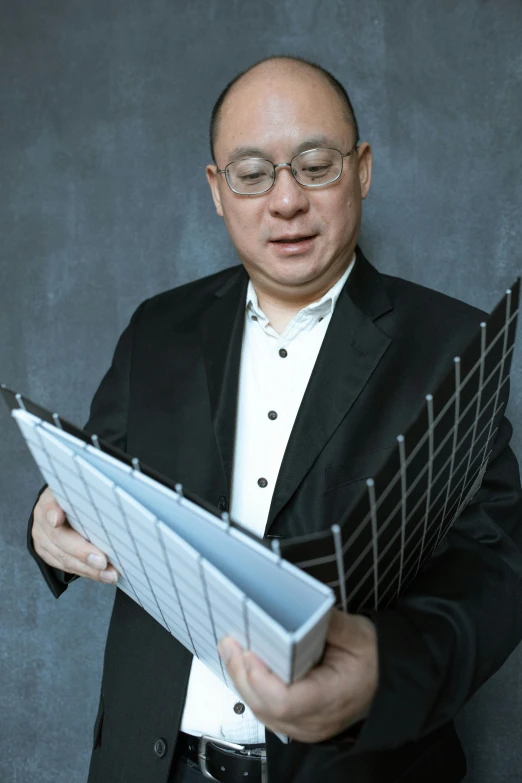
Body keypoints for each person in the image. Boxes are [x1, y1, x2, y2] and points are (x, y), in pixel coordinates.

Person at [28, 56, 522, 783]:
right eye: (252, 174)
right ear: (216, 190)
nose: (285, 200)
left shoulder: (454, 345)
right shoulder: (157, 329)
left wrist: (382, 672)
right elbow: (97, 477)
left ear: (362, 169)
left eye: (315, 166)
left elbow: (495, 570)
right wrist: (47, 517)